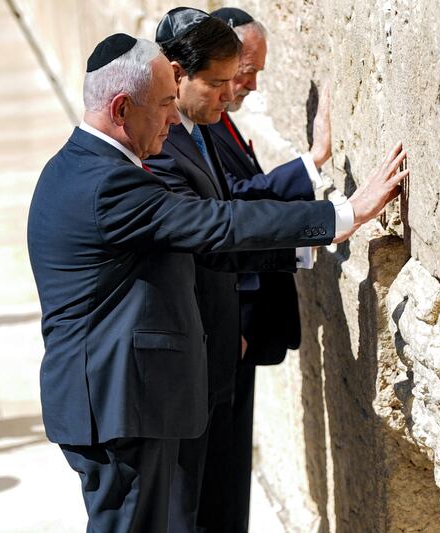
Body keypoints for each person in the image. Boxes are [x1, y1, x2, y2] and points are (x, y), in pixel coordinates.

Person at [27, 32, 406, 532]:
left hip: (118, 400)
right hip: (116, 405)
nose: (171, 118)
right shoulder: (108, 184)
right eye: (164, 104)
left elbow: (206, 249)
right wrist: (345, 213)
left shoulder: (81, 166)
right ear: (121, 108)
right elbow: (219, 225)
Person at [144, 8, 407, 532]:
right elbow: (225, 225)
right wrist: (344, 214)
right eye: (228, 77)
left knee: (222, 495)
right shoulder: (163, 148)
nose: (236, 91)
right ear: (180, 74)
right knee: (193, 505)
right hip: (200, 348)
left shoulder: (204, 125)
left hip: (221, 344)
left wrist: (315, 165)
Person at [199, 7, 334, 531]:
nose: (252, 84)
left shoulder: (219, 118)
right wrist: (312, 161)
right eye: (245, 70)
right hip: (226, 333)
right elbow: (233, 210)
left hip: (241, 333)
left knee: (230, 483)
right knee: (214, 485)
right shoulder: (194, 127)